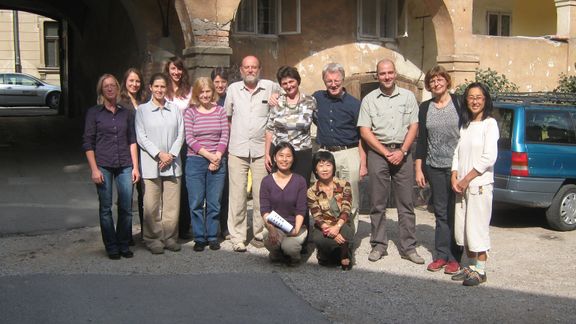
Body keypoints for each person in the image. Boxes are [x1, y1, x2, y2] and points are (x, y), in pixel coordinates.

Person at [357, 59, 424, 264]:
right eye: (382, 73)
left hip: (403, 154)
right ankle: (379, 244)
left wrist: (402, 151)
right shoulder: (369, 100)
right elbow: (365, 131)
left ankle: (408, 247)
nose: (387, 77)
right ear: (377, 75)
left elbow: (414, 126)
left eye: (390, 73)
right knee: (378, 202)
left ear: (395, 74)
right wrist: (386, 152)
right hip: (379, 153)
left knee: (406, 203)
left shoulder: (408, 97)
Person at [224, 55, 279, 252]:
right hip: (237, 149)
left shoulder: (271, 86)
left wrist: (278, 99)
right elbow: (227, 118)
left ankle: (258, 233)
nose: (250, 70)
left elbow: (289, 97)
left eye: (254, 67)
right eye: (246, 67)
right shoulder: (233, 90)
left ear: (259, 69)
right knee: (237, 196)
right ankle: (237, 236)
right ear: (241, 70)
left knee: (260, 195)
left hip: (260, 151)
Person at [83, 74, 140, 259]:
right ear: (101, 90)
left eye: (112, 85)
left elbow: (132, 140)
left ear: (117, 88)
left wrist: (135, 167)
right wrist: (94, 169)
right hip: (103, 165)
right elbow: (88, 143)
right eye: (106, 86)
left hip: (125, 164)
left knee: (126, 207)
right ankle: (111, 245)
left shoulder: (126, 113)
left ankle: (124, 243)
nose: (109, 89)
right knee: (106, 207)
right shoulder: (94, 113)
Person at [414, 66, 463, 274]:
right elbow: (422, 141)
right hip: (434, 166)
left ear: (447, 81)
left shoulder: (459, 103)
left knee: (456, 212)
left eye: (439, 79)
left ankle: (455, 257)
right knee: (441, 212)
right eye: (432, 80)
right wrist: (419, 168)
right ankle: (441, 255)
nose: (436, 83)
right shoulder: (425, 107)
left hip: (457, 167)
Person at [450, 82, 499, 286]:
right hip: (461, 185)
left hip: (479, 184)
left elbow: (489, 157)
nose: (475, 101)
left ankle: (481, 270)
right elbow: (457, 153)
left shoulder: (490, 124)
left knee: (477, 227)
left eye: (479, 97)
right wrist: (454, 175)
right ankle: (470, 266)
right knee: (464, 228)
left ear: (485, 100)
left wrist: (466, 178)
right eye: (471, 97)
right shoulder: (465, 125)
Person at [312, 63, 367, 234]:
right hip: (326, 154)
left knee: (350, 197)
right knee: (323, 196)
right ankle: (326, 235)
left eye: (337, 80)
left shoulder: (354, 104)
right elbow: (295, 99)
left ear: (343, 80)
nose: (333, 84)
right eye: (329, 81)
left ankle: (349, 237)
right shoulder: (317, 98)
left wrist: (363, 164)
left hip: (349, 153)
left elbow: (362, 136)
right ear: (324, 81)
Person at [135, 73, 185, 254]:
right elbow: (141, 137)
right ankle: (153, 238)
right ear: (150, 88)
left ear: (167, 89)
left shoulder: (175, 110)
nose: (159, 90)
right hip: (151, 164)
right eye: (156, 86)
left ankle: (170, 237)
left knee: (172, 205)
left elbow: (181, 134)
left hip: (173, 163)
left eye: (163, 86)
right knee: (151, 205)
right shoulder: (142, 110)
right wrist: (159, 154)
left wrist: (171, 154)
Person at [184, 77, 229, 252]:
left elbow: (224, 135)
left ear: (213, 92)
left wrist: (217, 157)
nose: (205, 95)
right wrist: (210, 156)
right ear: (196, 93)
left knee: (214, 202)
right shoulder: (190, 113)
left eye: (208, 91)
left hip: (218, 160)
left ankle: (212, 236)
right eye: (201, 91)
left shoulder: (220, 111)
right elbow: (189, 138)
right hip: (195, 161)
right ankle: (199, 237)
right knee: (195, 202)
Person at [265, 66, 316, 184]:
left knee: (301, 189)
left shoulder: (310, 101)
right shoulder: (276, 102)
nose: (289, 86)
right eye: (285, 83)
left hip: (302, 153)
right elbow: (269, 129)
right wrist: (267, 154)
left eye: (291, 81)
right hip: (281, 153)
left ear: (298, 81)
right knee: (279, 189)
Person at [260, 142, 308, 265]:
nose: (284, 159)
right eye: (281, 155)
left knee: (290, 247)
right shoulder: (266, 181)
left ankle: (294, 256)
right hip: (276, 226)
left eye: (288, 156)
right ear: (275, 158)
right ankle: (276, 253)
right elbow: (265, 210)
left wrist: (296, 230)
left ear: (293, 158)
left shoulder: (300, 181)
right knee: (269, 239)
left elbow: (301, 209)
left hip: (295, 226)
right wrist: (271, 229)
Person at [307, 151, 354, 270]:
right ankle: (329, 252)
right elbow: (316, 215)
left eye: (328, 165)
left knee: (346, 233)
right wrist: (330, 231)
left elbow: (346, 208)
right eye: (321, 165)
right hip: (324, 225)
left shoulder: (344, 185)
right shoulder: (311, 191)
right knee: (319, 239)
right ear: (315, 170)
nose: (325, 169)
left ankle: (344, 254)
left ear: (333, 167)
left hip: (342, 223)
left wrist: (337, 228)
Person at [163, 56, 193, 239]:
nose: (176, 72)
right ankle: (166, 226)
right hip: (165, 142)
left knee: (184, 186)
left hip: (185, 143)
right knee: (168, 183)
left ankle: (183, 226)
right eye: (173, 69)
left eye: (179, 69)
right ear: (168, 70)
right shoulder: (162, 90)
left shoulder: (188, 92)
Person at [119, 67, 146, 242]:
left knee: (145, 196)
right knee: (126, 197)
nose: (134, 84)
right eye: (131, 81)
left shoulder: (145, 99)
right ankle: (125, 235)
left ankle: (147, 233)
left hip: (145, 152)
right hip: (127, 151)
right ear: (125, 82)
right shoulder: (120, 102)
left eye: (137, 81)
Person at [211, 67, 231, 239]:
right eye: (216, 81)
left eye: (223, 81)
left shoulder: (230, 99)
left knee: (226, 192)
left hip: (229, 150)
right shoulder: (207, 99)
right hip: (211, 151)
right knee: (212, 193)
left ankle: (224, 226)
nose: (220, 85)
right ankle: (211, 226)